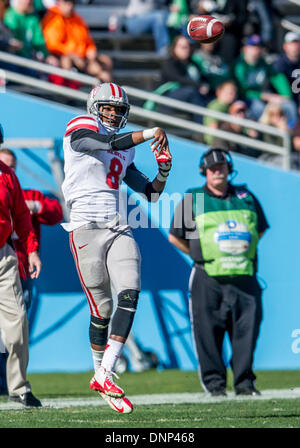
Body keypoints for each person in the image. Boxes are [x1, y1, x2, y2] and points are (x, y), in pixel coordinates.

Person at [61, 82, 172, 413]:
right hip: (84, 227)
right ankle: (101, 374)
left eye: (118, 110)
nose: (111, 114)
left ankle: (106, 371)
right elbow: (100, 142)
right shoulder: (80, 125)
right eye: (107, 108)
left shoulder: (127, 149)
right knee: (102, 310)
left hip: (118, 224)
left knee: (130, 292)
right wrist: (148, 132)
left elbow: (150, 192)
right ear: (95, 107)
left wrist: (164, 169)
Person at [169, 147, 269, 397]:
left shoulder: (245, 196)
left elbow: (261, 228)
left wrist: (238, 251)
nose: (218, 172)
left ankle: (245, 383)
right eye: (213, 169)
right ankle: (214, 385)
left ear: (229, 170)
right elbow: (175, 237)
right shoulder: (194, 199)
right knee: (207, 333)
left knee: (247, 332)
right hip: (207, 277)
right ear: (205, 171)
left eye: (222, 168)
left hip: (244, 276)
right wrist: (199, 255)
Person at [0, 123, 42, 407]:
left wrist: (32, 251)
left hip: (3, 256)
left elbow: (22, 216)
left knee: (17, 325)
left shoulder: (7, 176)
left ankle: (19, 387)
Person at [0, 148, 63, 310]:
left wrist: (35, 206)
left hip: (21, 271)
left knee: (18, 320)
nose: (9, 170)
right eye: (4, 165)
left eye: (12, 166)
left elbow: (56, 213)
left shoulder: (28, 196)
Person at [233, 34, 297, 127]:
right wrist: (265, 96)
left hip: (259, 96)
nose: (257, 50)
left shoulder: (262, 62)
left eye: (259, 47)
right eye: (253, 46)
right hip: (243, 98)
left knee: (289, 105)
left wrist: (286, 96)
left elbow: (277, 76)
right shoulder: (239, 65)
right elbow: (242, 90)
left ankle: (292, 133)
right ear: (246, 48)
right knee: (260, 108)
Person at [42, 0, 113, 82]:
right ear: (59, 3)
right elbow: (53, 45)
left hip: (82, 58)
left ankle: (100, 92)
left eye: (72, 3)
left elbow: (87, 40)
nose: (70, 6)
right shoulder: (53, 18)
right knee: (67, 61)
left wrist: (91, 49)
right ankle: (68, 90)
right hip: (63, 57)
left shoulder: (78, 19)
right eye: (66, 3)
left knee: (105, 63)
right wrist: (73, 53)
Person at [203, 80, 237, 145]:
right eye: (230, 93)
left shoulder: (229, 107)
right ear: (219, 92)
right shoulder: (217, 106)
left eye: (234, 93)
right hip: (215, 143)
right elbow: (213, 127)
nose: (233, 95)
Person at [273, 32, 300, 107]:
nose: (294, 47)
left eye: (297, 44)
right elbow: (284, 93)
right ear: (285, 46)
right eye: (291, 44)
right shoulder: (279, 65)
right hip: (285, 102)